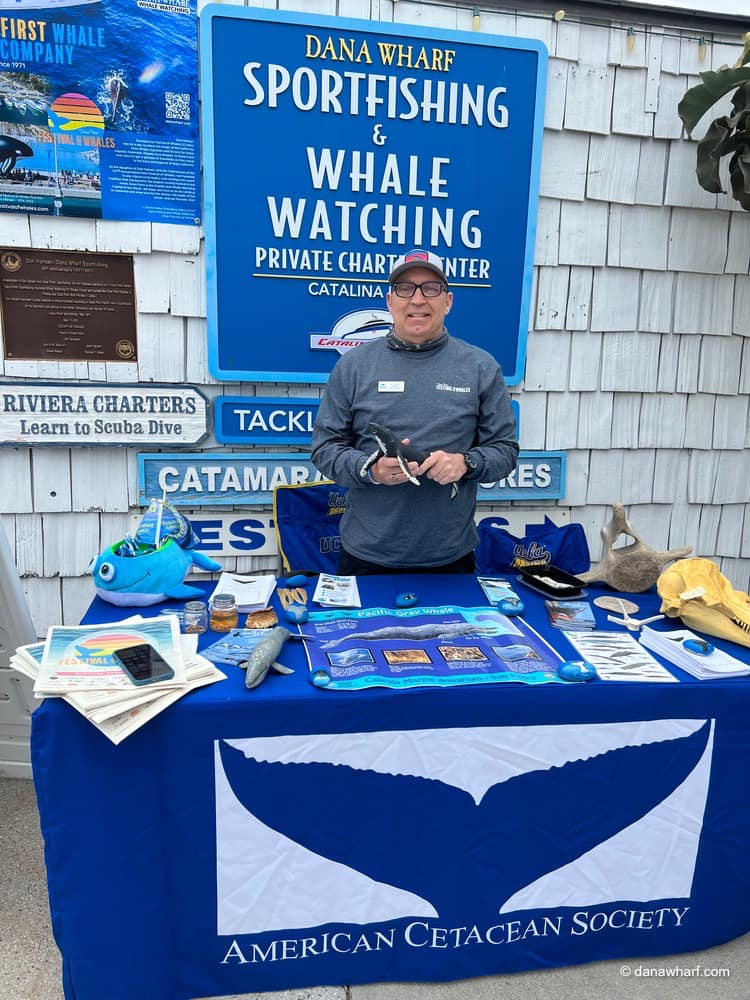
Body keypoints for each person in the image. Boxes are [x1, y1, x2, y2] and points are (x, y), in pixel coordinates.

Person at [310, 249, 519, 575]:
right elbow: (325, 448)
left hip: (450, 557)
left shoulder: (481, 367)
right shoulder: (353, 366)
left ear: (447, 301)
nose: (418, 300)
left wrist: (466, 463)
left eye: (430, 288)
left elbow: (505, 452)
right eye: (405, 289)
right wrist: (371, 470)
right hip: (366, 556)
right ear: (390, 301)